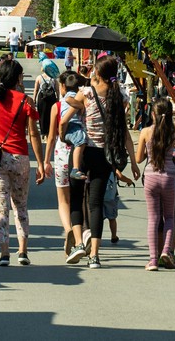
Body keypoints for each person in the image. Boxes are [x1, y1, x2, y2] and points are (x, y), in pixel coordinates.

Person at [63, 55, 141, 269]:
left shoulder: (87, 92)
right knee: (95, 203)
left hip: (83, 150)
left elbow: (67, 110)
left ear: (98, 73)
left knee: (77, 199)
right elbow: (124, 133)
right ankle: (94, 255)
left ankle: (79, 243)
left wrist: (63, 132)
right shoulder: (120, 97)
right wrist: (133, 163)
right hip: (104, 155)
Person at [0, 59, 45, 266]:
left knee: (1, 207)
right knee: (21, 206)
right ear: (18, 78)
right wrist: (40, 163)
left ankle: (4, 252)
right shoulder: (26, 101)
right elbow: (33, 134)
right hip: (20, 158)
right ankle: (23, 251)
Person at [135, 97, 175, 271]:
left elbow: (139, 158)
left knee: (153, 218)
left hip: (151, 177)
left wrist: (149, 151)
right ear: (169, 116)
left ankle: (152, 260)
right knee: (169, 218)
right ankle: (166, 251)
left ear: (153, 114)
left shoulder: (145, 132)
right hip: (168, 178)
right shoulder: (174, 135)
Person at [43, 70, 85, 258]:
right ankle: (81, 234)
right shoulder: (83, 104)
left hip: (61, 152)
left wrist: (45, 160)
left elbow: (51, 136)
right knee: (80, 196)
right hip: (79, 151)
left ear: (62, 87)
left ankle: (68, 229)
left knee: (63, 198)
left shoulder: (57, 106)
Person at [57, 73, 88, 180]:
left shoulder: (68, 95)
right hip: (72, 125)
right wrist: (81, 105)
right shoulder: (72, 96)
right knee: (81, 140)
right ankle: (75, 168)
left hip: (71, 126)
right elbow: (69, 100)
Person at [33, 56, 60, 142]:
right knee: (50, 115)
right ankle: (49, 131)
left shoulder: (39, 77)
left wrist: (34, 99)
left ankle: (43, 132)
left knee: (42, 115)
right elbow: (57, 90)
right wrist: (58, 99)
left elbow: (36, 89)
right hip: (51, 98)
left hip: (42, 98)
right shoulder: (53, 78)